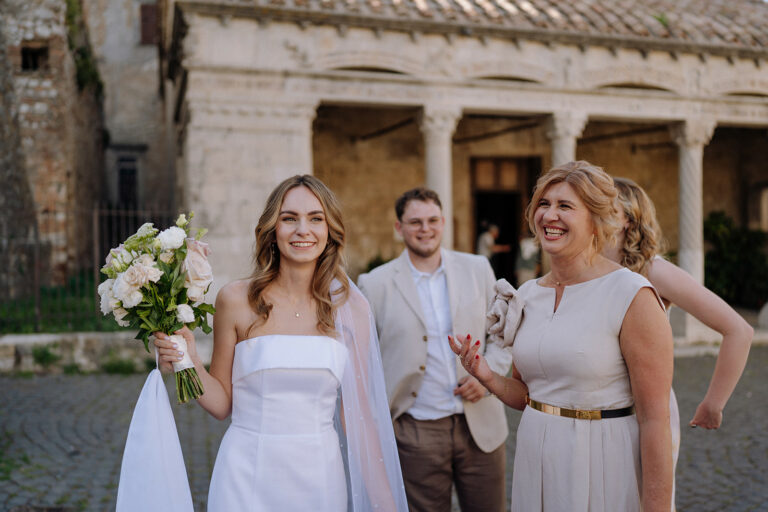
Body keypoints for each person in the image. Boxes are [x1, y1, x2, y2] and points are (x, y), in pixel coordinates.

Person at [154, 175, 408, 512]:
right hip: (246, 475)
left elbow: (358, 417)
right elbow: (221, 405)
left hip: (321, 480)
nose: (303, 230)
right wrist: (188, 359)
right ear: (273, 230)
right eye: (289, 218)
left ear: (330, 230)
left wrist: (385, 503)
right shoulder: (236, 299)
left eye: (316, 219)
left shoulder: (351, 309)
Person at [451, 161, 674, 511]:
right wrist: (485, 374)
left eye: (565, 206)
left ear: (596, 220)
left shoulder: (631, 294)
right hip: (536, 459)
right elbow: (528, 394)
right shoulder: (527, 294)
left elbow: (655, 420)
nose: (549, 215)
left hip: (603, 461)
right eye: (544, 203)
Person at [358, 187, 513, 512]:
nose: (425, 228)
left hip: (479, 426)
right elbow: (365, 359)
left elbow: (500, 336)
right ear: (399, 227)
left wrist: (490, 376)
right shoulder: (374, 283)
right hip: (415, 429)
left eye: (432, 220)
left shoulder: (478, 268)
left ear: (443, 222)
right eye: (415, 222)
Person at [605, 177, 752, 433]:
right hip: (594, 413)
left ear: (627, 219)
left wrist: (714, 403)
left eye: (607, 209)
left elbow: (738, 330)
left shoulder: (653, 270)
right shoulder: (583, 271)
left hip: (644, 415)